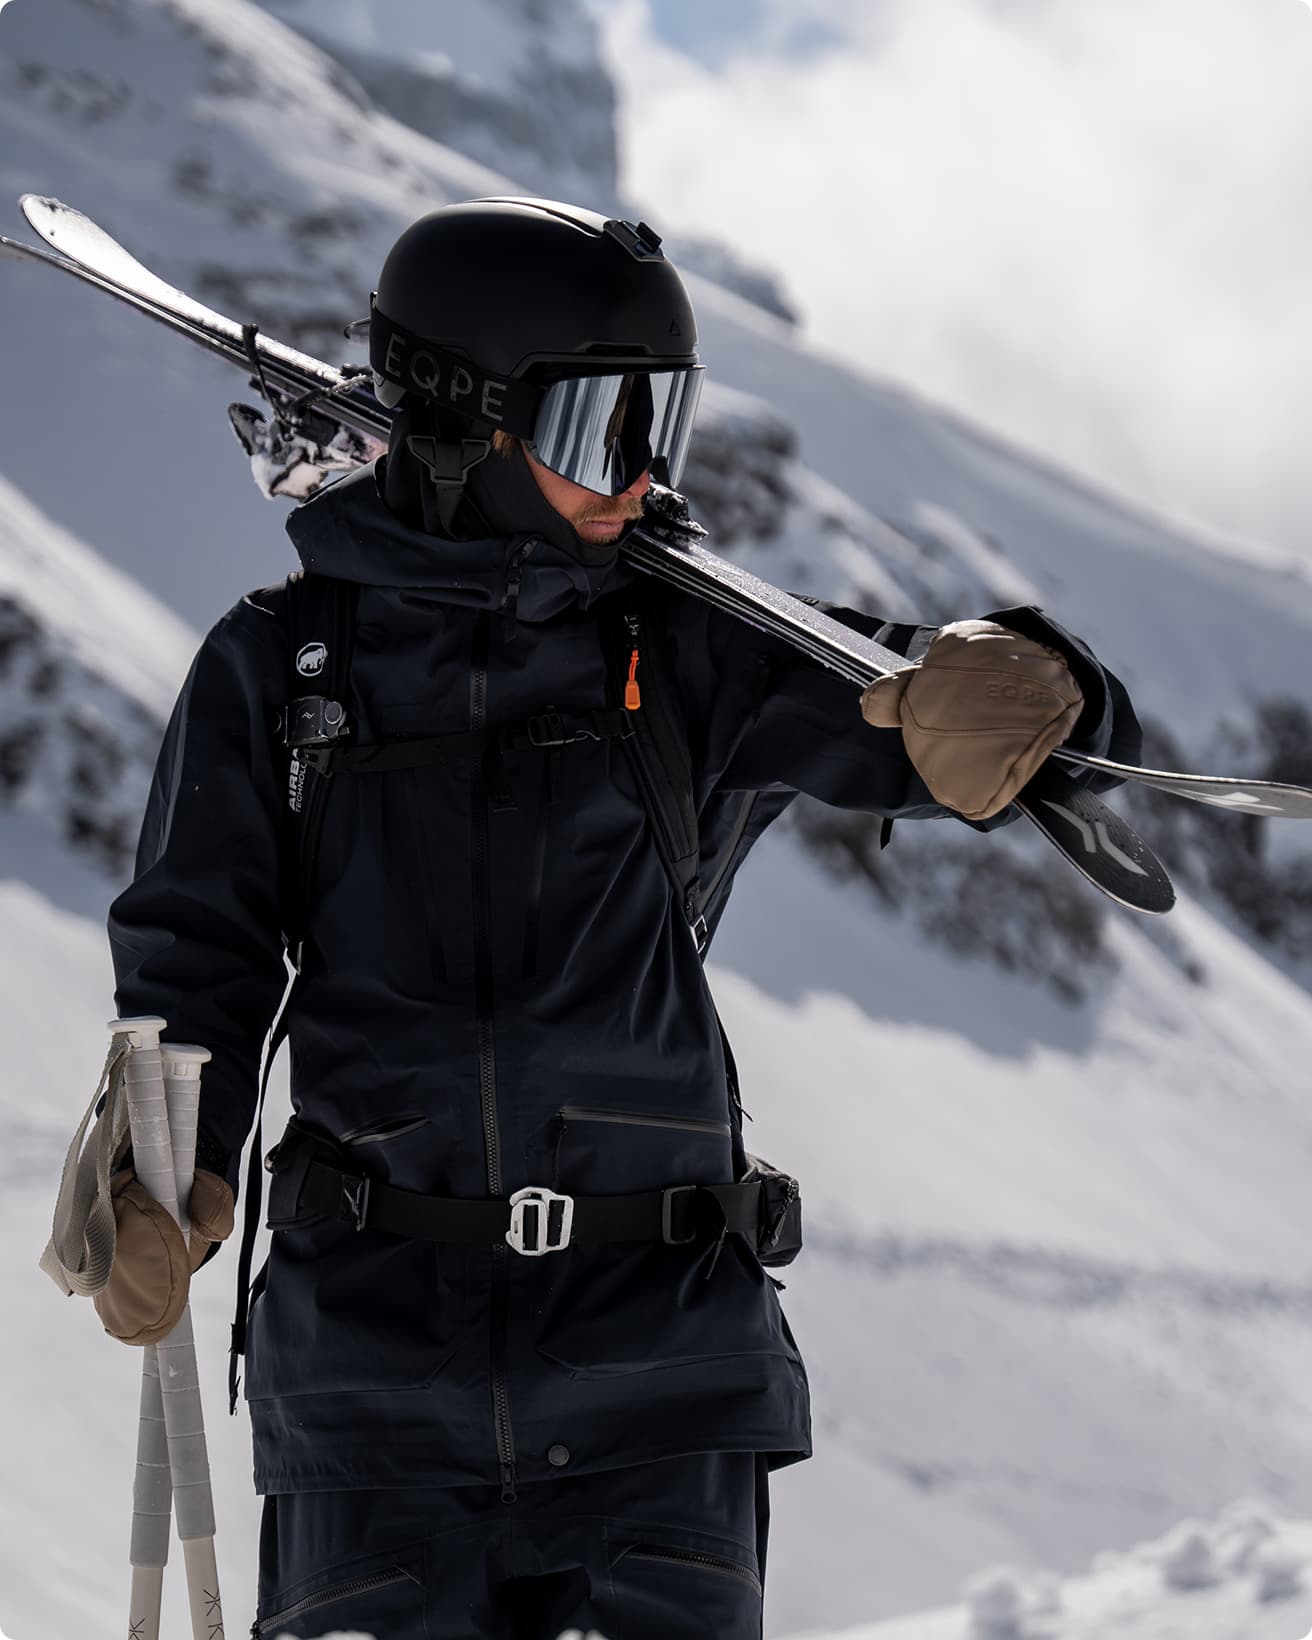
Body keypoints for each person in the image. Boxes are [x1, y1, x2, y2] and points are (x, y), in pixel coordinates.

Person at [96, 197, 1142, 1639]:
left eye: (670, 428)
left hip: (661, 1376)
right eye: (605, 430)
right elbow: (194, 953)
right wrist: (168, 1164)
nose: (647, 480)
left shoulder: (688, 645)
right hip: (374, 1388)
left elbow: (916, 708)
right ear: (467, 423)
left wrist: (1028, 691)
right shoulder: (284, 673)